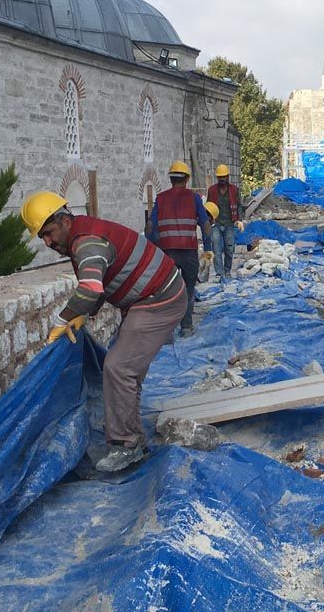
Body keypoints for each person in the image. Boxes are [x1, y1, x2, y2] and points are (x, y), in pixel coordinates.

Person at [20, 191, 187, 473]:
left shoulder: (87, 243)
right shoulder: (82, 235)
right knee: (125, 369)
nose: (47, 242)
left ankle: (127, 445)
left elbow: (90, 288)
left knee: (118, 367)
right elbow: (102, 280)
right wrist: (83, 314)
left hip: (159, 299)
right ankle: (130, 432)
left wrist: (64, 318)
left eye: (48, 233)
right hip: (149, 298)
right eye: (42, 237)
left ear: (63, 220)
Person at [147, 160, 211, 334]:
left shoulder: (161, 198)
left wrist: (154, 247)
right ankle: (186, 326)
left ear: (171, 179)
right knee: (188, 290)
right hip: (189, 252)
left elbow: (150, 226)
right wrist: (208, 248)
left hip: (168, 254)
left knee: (168, 293)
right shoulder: (194, 198)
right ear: (187, 179)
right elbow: (205, 223)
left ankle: (167, 332)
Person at [206, 164, 244, 281]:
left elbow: (239, 205)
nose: (222, 179)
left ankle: (227, 271)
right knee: (216, 249)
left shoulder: (234, 190)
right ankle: (219, 273)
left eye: (224, 177)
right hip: (216, 224)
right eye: (220, 177)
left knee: (229, 249)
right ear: (217, 178)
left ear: (228, 176)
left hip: (229, 223)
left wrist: (240, 220)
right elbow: (208, 206)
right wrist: (208, 221)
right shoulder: (212, 190)